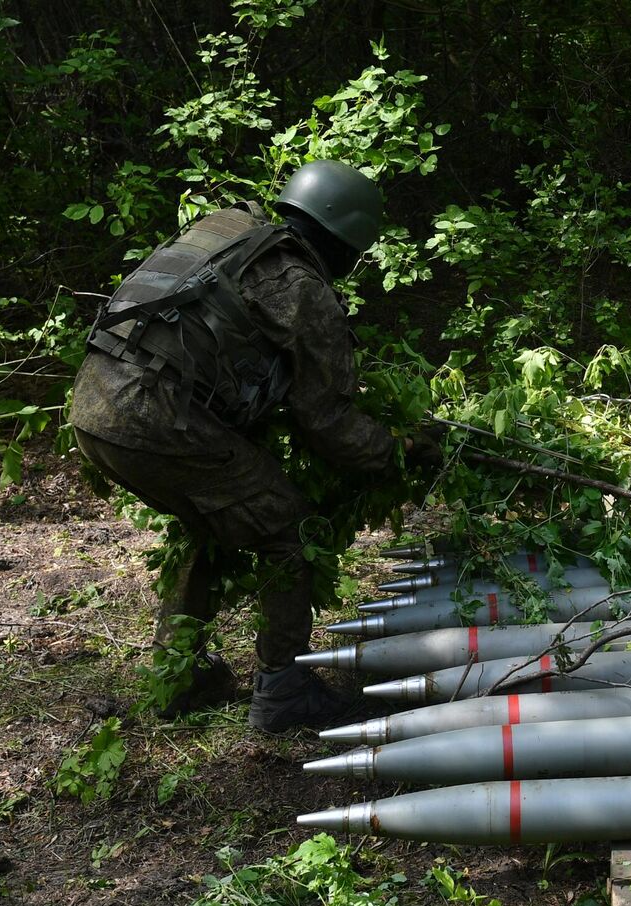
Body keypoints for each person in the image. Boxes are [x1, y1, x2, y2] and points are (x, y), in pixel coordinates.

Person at [70, 160, 437, 734]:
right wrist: (399, 448)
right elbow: (328, 420)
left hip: (96, 403)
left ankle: (180, 673)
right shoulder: (303, 288)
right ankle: (283, 688)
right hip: (160, 420)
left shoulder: (226, 226)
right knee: (287, 528)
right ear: (343, 240)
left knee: (213, 519)